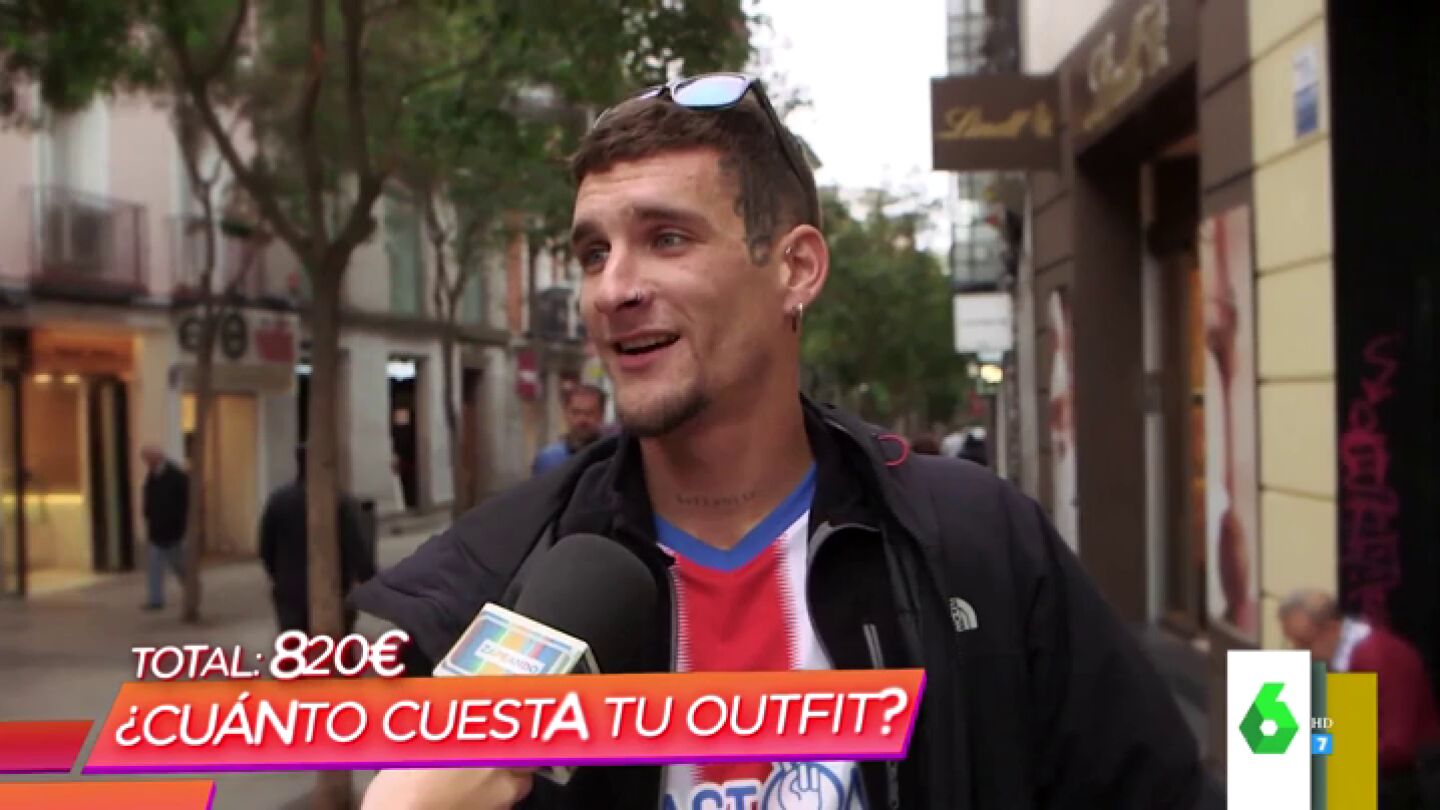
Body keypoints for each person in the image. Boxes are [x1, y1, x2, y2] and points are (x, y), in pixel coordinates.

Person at [354, 72, 1200, 809]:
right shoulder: (489, 585)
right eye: (592, 253)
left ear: (796, 269)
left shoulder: (977, 546)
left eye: (667, 239)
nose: (613, 290)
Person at [1279, 590, 1440, 807]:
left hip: (1406, 782)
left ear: (1332, 629)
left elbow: (1396, 748)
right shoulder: (1339, 659)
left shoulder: (1376, 657)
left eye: (1304, 644)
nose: (1301, 653)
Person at [259, 444, 376, 636]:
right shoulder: (339, 502)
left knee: (294, 643)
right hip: (333, 589)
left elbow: (265, 547)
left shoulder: (278, 501)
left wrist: (278, 575)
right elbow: (357, 549)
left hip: (290, 590)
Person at [140, 444, 188, 611]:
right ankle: (155, 600)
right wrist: (147, 515)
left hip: (173, 531)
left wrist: (180, 523)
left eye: (148, 459)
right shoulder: (151, 476)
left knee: (179, 566)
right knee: (154, 566)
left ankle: (191, 589)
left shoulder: (176, 476)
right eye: (145, 460)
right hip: (156, 531)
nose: (147, 463)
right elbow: (148, 498)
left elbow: (185, 501)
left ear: (158, 458)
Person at [531, 384, 607, 476]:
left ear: (601, 414)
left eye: (589, 413)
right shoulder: (548, 459)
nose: (582, 419)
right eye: (576, 412)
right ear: (565, 413)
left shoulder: (613, 457)